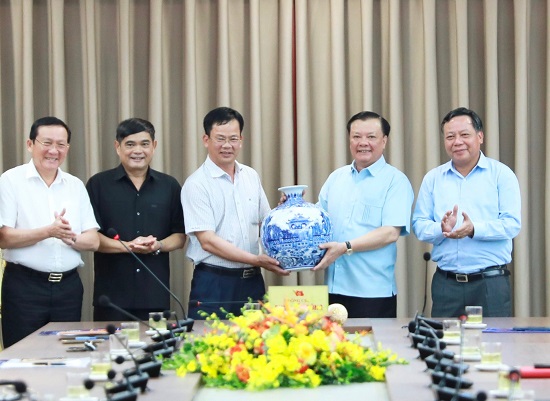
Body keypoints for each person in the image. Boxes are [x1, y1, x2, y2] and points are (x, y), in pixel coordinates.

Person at [0, 116, 99, 348]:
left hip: (68, 288)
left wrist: (69, 236)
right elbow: (4, 237)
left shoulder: (75, 185)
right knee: (22, 355)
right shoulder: (11, 181)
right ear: (30, 144)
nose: (54, 151)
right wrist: (48, 231)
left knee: (66, 355)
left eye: (61, 144)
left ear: (67, 148)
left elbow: (93, 240)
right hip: (24, 286)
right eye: (47, 143)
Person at [412, 107, 521, 318]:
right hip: (446, 284)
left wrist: (474, 229)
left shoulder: (501, 175)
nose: (457, 142)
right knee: (444, 339)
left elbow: (512, 224)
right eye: (450, 137)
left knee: (491, 339)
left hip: (490, 283)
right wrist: (441, 228)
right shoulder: (433, 178)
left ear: (480, 137)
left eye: (464, 135)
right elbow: (419, 224)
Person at [181, 106, 289, 319]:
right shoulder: (196, 184)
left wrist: (286, 209)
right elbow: (208, 241)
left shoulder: (250, 175)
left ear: (241, 140)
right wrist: (255, 259)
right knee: (209, 339)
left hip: (252, 281)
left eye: (233, 139)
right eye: (220, 139)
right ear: (206, 140)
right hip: (214, 282)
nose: (227, 145)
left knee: (256, 338)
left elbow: (266, 222)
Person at [312, 111, 414, 318]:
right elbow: (316, 220)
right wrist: (291, 208)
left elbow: (390, 233)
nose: (363, 143)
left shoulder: (395, 181)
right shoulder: (336, 178)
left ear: (384, 141)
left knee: (371, 340)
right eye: (356, 136)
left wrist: (345, 247)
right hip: (332, 288)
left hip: (372, 293)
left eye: (371, 137)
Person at [86, 118, 186, 321]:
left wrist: (158, 245)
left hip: (155, 295)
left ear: (154, 146)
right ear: (117, 147)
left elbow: (180, 236)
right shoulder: (98, 185)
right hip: (112, 298)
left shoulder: (169, 186)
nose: (137, 151)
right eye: (130, 144)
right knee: (111, 343)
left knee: (157, 343)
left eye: (144, 144)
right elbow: (91, 236)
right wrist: (128, 247)